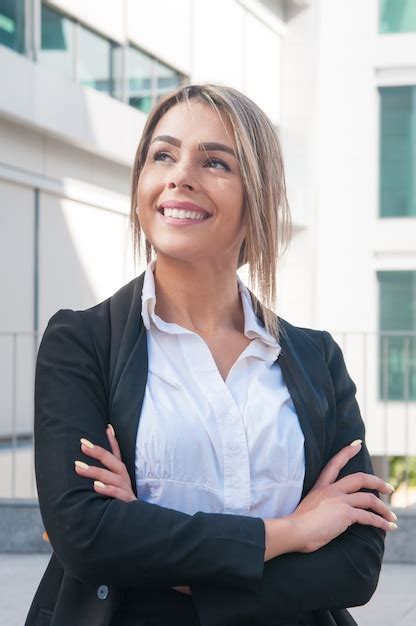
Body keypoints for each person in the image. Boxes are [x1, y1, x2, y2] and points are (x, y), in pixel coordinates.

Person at [26, 83, 397, 626]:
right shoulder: (80, 343)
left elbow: (356, 564)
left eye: (215, 162)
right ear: (140, 185)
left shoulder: (317, 358)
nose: (180, 175)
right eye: (163, 155)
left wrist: (151, 542)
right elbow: (86, 536)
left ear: (257, 195)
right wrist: (291, 532)